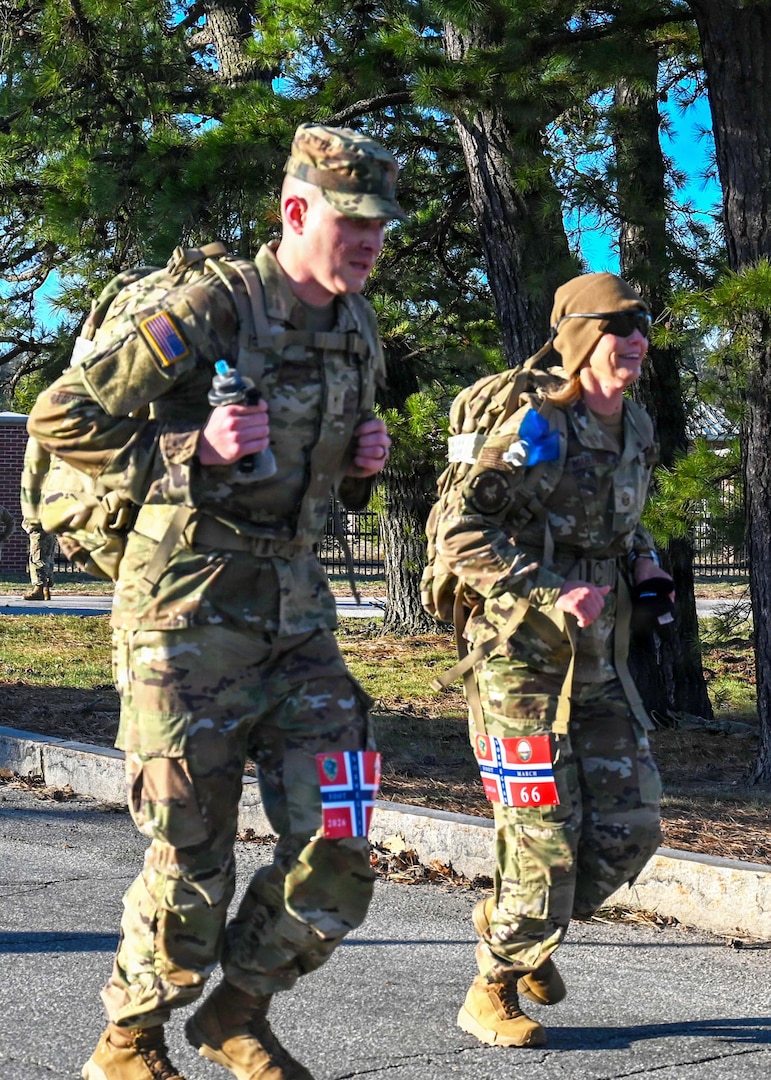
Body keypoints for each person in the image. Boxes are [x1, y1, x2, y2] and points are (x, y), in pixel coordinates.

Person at [28, 122, 405, 1080]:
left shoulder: (357, 323)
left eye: (380, 224)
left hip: (294, 608)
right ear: (295, 210)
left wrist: (362, 466)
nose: (369, 240)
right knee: (190, 855)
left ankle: (235, 1011)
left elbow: (314, 467)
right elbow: (61, 417)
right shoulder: (212, 307)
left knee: (344, 831)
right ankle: (130, 1039)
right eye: (351, 220)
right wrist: (193, 447)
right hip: (185, 612)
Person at [432, 272, 672, 1049]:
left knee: (631, 827)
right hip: (518, 660)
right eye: (616, 325)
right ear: (577, 336)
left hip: (600, 660)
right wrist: (546, 592)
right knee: (541, 835)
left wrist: (643, 562)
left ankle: (517, 918)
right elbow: (461, 532)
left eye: (639, 324)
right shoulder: (536, 426)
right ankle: (491, 984)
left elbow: (618, 521)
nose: (633, 336)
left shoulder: (632, 425)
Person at [20, 436, 56, 600]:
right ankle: (46, 588)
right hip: (48, 521)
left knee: (38, 556)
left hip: (40, 523)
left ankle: (39, 589)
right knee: (47, 556)